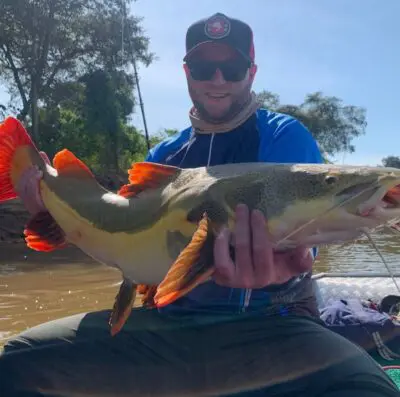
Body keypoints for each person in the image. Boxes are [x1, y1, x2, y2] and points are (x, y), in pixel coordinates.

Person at [0, 12, 399, 397]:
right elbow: (116, 241)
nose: (218, 79)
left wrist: (292, 263)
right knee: (15, 363)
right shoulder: (163, 154)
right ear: (187, 72)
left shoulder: (284, 136)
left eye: (234, 67)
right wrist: (48, 205)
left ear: (252, 72)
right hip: (170, 327)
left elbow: (305, 241)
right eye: (204, 67)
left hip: (272, 326)